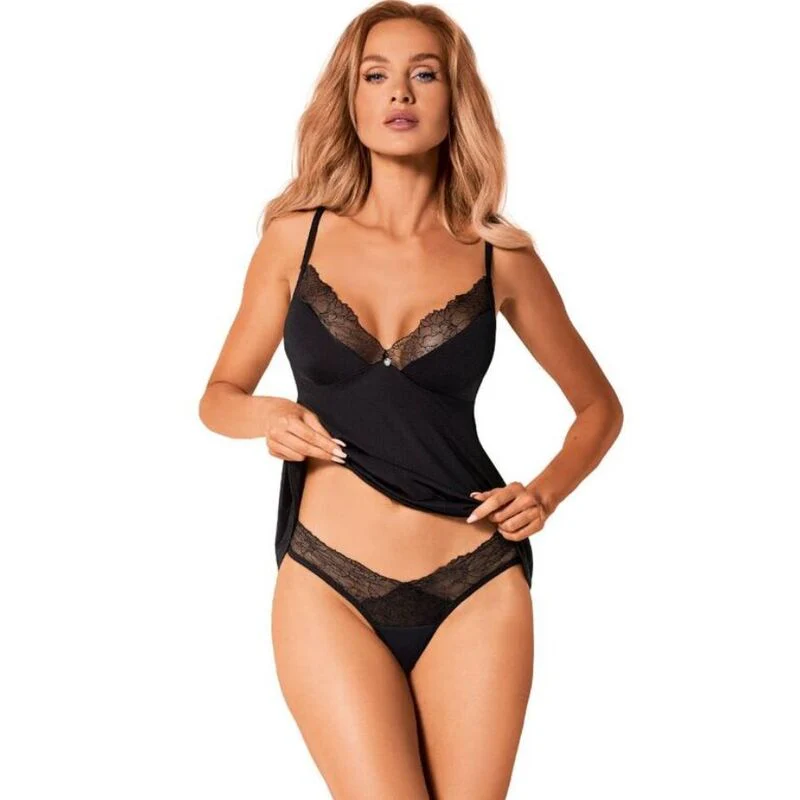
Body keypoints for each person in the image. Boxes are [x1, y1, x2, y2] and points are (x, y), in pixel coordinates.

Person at [199, 2, 623, 797]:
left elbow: (599, 407)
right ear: (351, 99)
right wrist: (268, 416)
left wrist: (546, 493)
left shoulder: (499, 254)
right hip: (329, 582)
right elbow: (218, 397)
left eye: (424, 74)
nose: (400, 92)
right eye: (376, 75)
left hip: (476, 583)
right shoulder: (294, 237)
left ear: (454, 99)